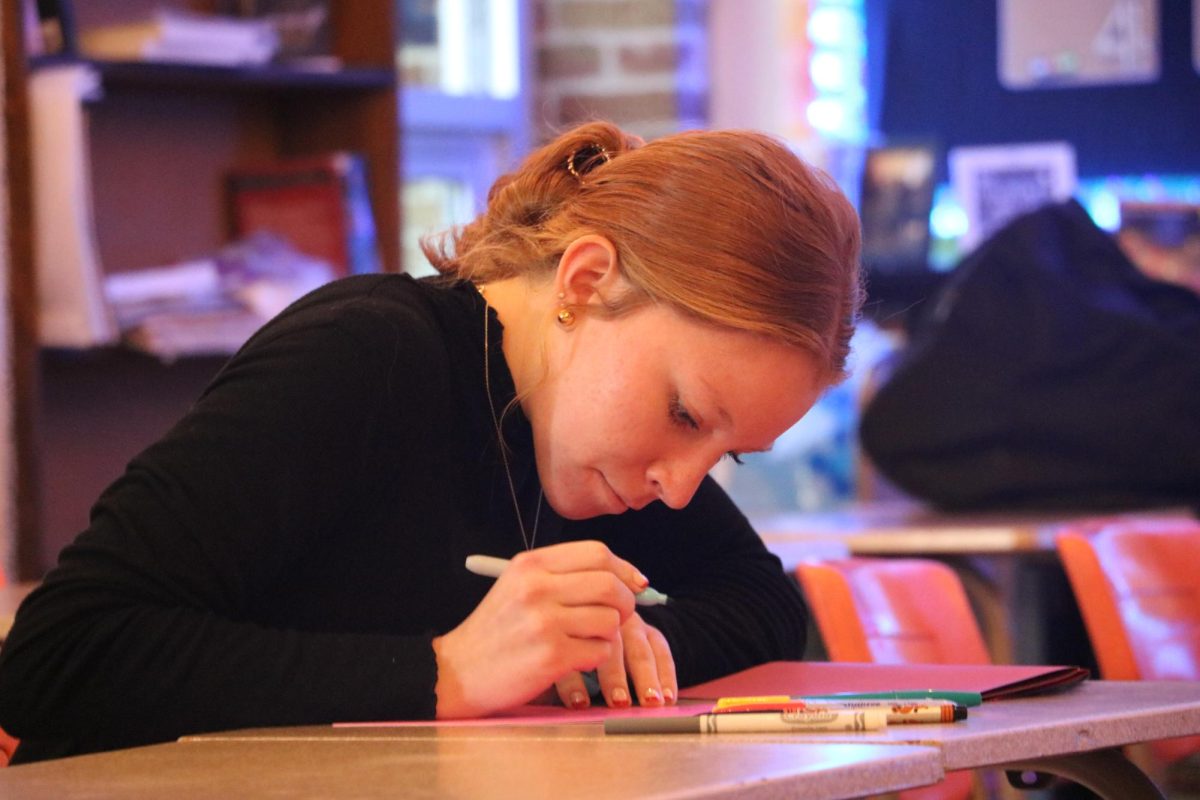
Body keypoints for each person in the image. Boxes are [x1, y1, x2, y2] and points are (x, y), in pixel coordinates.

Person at [0, 120, 863, 762]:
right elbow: (58, 658)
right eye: (685, 415)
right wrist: (445, 671)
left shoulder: (591, 439)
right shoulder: (367, 356)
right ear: (588, 281)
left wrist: (630, 648)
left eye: (727, 454)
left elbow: (765, 602)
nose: (678, 487)